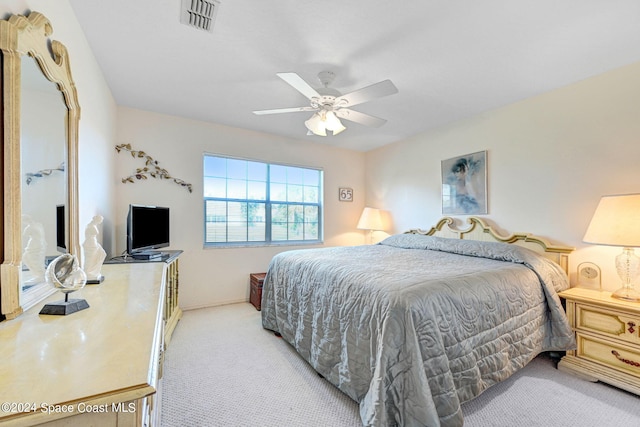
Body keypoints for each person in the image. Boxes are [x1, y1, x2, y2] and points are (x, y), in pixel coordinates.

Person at [22, 215, 46, 283]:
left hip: (34, 244)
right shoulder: (38, 225)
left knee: (32, 259)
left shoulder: (29, 227)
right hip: (39, 244)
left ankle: (40, 275)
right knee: (27, 258)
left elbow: (25, 234)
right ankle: (38, 275)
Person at [82, 215, 107, 282]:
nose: (100, 222)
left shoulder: (92, 225)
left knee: (102, 254)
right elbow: (92, 234)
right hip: (90, 244)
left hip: (94, 243)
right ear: (97, 220)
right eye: (100, 220)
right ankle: (89, 273)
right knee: (90, 259)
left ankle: (93, 272)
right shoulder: (91, 226)